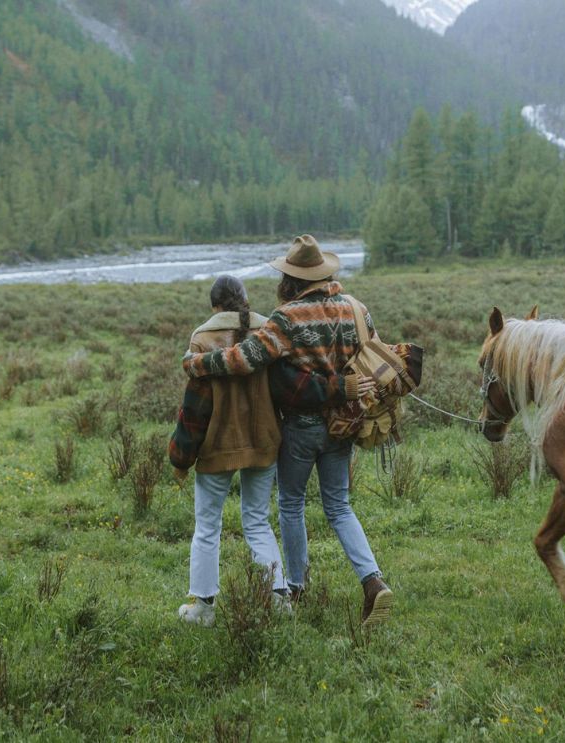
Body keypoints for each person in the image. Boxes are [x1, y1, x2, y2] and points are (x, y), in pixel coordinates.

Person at [182, 235, 396, 627]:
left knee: (291, 504)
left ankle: (295, 587)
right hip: (344, 424)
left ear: (291, 280)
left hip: (301, 427)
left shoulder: (288, 317)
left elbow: (244, 357)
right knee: (339, 506)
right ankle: (373, 580)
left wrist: (198, 364)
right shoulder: (354, 308)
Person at [167, 275, 342, 627]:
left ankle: (203, 607)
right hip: (265, 440)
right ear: (244, 299)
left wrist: (181, 457)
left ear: (215, 305)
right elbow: (286, 388)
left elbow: (196, 407)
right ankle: (278, 599)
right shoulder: (269, 329)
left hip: (218, 445)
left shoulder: (202, 337)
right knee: (258, 521)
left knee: (207, 526)